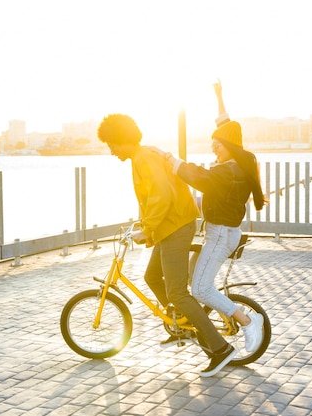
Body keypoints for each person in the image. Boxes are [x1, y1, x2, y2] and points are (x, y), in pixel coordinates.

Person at [97, 113, 238, 377]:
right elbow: (153, 198)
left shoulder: (143, 158)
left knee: (177, 293)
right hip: (169, 225)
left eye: (111, 144)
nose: (111, 150)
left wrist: (146, 229)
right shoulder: (143, 156)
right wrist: (146, 227)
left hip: (175, 226)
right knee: (151, 276)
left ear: (121, 139)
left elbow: (161, 197)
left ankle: (220, 349)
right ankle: (181, 325)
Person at [158, 81, 267, 353]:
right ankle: (184, 324)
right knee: (189, 283)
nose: (213, 148)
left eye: (217, 144)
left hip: (220, 236)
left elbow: (200, 178)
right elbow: (226, 125)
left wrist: (171, 160)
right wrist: (219, 96)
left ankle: (246, 320)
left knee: (200, 290)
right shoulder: (238, 161)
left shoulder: (228, 173)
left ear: (229, 145)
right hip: (221, 233)